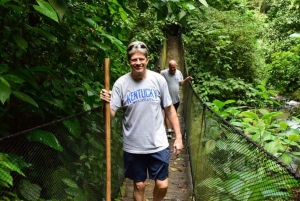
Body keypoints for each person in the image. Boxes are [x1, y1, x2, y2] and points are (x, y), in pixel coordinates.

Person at [100, 41, 183, 201]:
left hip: (158, 143)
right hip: (133, 146)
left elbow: (170, 109)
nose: (138, 63)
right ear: (129, 61)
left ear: (148, 59)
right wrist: (106, 103)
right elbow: (109, 116)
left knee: (162, 185)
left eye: (141, 59)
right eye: (134, 60)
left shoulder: (158, 80)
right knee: (139, 185)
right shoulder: (120, 84)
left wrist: (178, 138)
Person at [160, 60, 193, 139]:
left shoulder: (179, 73)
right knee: (167, 114)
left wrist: (187, 79)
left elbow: (181, 83)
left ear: (176, 66)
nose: (173, 70)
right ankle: (169, 130)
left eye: (174, 68)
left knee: (173, 113)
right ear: (168, 67)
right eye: (171, 68)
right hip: (166, 98)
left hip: (176, 98)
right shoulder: (163, 73)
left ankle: (171, 128)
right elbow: (157, 78)